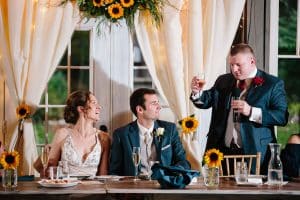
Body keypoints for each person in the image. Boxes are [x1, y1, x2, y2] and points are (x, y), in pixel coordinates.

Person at [190, 43, 289, 174]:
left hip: (255, 153)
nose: (234, 69)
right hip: (222, 153)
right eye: (231, 65)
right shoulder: (223, 80)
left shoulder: (273, 84)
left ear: (252, 61)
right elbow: (207, 100)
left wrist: (251, 111)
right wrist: (197, 93)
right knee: (221, 194)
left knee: (253, 194)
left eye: (238, 65)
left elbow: (282, 116)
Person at [109, 88, 190, 176]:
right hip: (134, 187)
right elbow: (115, 172)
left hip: (163, 186)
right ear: (140, 109)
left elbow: (183, 162)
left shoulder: (169, 130)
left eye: (158, 102)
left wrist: (173, 174)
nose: (159, 107)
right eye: (154, 103)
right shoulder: (121, 134)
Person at [46, 90, 111, 176]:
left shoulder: (103, 137)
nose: (99, 107)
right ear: (81, 109)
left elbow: (103, 174)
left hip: (94, 188)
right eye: (94, 103)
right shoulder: (62, 134)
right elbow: (50, 169)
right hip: (65, 187)